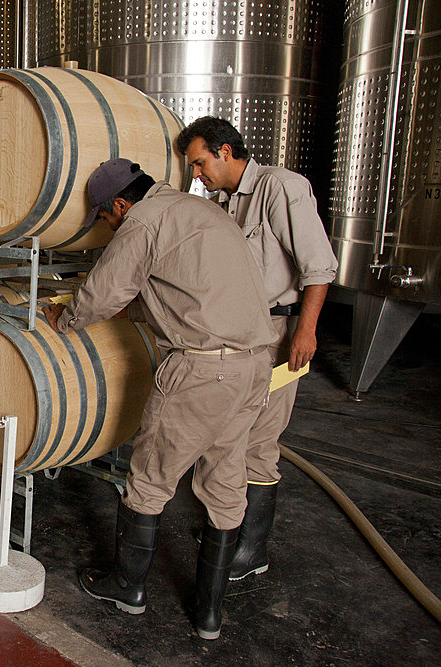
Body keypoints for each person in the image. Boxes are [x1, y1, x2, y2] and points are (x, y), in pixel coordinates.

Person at [42, 158, 275, 640]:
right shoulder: (200, 209)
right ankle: (209, 614)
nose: (108, 227)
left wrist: (62, 320)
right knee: (226, 479)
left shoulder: (143, 221)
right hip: (253, 363)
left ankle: (127, 588)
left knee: (149, 479)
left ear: (122, 204)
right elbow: (194, 287)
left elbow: (103, 291)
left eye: (105, 218)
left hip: (202, 369)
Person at [176, 117, 338, 581]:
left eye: (201, 163)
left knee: (261, 441)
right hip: (240, 334)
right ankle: (228, 527)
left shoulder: (281, 187)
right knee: (227, 434)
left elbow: (318, 267)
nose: (197, 175)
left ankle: (251, 549)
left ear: (226, 151)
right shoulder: (226, 204)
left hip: (278, 333)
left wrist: (305, 333)